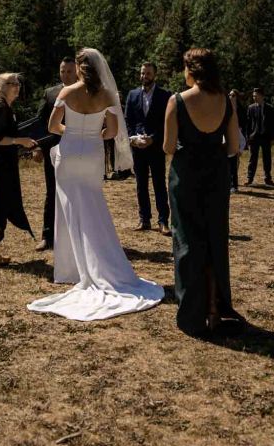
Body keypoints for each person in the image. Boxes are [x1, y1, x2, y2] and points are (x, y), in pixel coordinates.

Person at [27, 49, 164, 321]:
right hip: (92, 155)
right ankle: (101, 264)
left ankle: (71, 269)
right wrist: (92, 134)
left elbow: (53, 126)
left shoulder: (66, 94)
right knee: (93, 206)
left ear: (79, 68)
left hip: (68, 154)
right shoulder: (107, 95)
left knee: (69, 209)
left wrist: (74, 131)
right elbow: (112, 132)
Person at [163, 48, 244, 337]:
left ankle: (191, 315)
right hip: (216, 174)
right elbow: (234, 147)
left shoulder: (177, 101)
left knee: (187, 242)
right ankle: (214, 310)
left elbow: (169, 147)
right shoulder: (226, 101)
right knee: (214, 241)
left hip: (186, 176)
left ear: (191, 71)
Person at [0, 73, 37, 267]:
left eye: (17, 84)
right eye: (11, 83)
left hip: (5, 164)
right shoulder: (0, 108)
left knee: (3, 205)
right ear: (2, 86)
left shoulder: (7, 108)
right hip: (0, 165)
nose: (16, 87)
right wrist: (19, 141)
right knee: (0, 206)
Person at [34, 57, 78, 252]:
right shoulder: (50, 93)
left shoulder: (85, 92)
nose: (66, 75)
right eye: (63, 71)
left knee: (76, 192)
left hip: (78, 150)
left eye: (69, 71)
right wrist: (36, 147)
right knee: (52, 191)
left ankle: (75, 234)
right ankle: (47, 235)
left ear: (76, 71)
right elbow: (40, 123)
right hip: (53, 149)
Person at [124, 62, 172, 234]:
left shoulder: (165, 95)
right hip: (138, 147)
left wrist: (154, 138)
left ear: (155, 75)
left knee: (159, 184)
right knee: (141, 184)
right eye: (143, 73)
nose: (145, 76)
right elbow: (128, 120)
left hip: (156, 147)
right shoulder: (132, 95)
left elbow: (168, 122)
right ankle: (144, 219)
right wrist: (133, 139)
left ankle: (163, 221)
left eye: (148, 73)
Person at [245, 87, 274, 185]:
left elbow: (273, 124)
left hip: (266, 136)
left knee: (267, 158)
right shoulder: (251, 108)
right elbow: (248, 124)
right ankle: (250, 178)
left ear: (262, 96)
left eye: (256, 95)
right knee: (252, 158)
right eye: (253, 96)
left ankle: (268, 178)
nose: (254, 97)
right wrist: (248, 137)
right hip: (254, 136)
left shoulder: (270, 108)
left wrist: (273, 137)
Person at [228, 89, 247, 193]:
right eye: (230, 95)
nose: (231, 96)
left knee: (234, 164)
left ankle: (234, 184)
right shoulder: (225, 108)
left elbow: (243, 125)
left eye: (233, 95)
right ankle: (229, 183)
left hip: (237, 134)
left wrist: (241, 147)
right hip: (227, 136)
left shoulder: (241, 110)